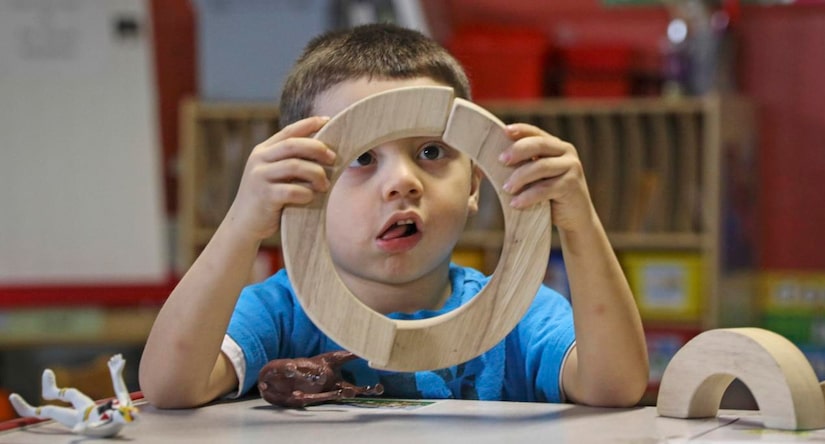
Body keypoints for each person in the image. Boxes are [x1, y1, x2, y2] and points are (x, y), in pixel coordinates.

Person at [139, 23, 648, 408]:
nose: (402, 181)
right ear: (298, 194)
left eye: (431, 152)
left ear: (475, 183)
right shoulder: (280, 312)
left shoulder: (519, 314)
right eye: (362, 158)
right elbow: (170, 387)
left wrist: (579, 221)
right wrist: (243, 222)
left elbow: (616, 387)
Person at [9, 354, 138, 438]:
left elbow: (94, 430)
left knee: (52, 410)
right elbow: (121, 392)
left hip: (80, 418)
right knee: (73, 393)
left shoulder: (110, 426)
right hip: (89, 407)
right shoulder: (125, 406)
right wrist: (116, 373)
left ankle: (28, 411)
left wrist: (83, 429)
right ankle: (52, 391)